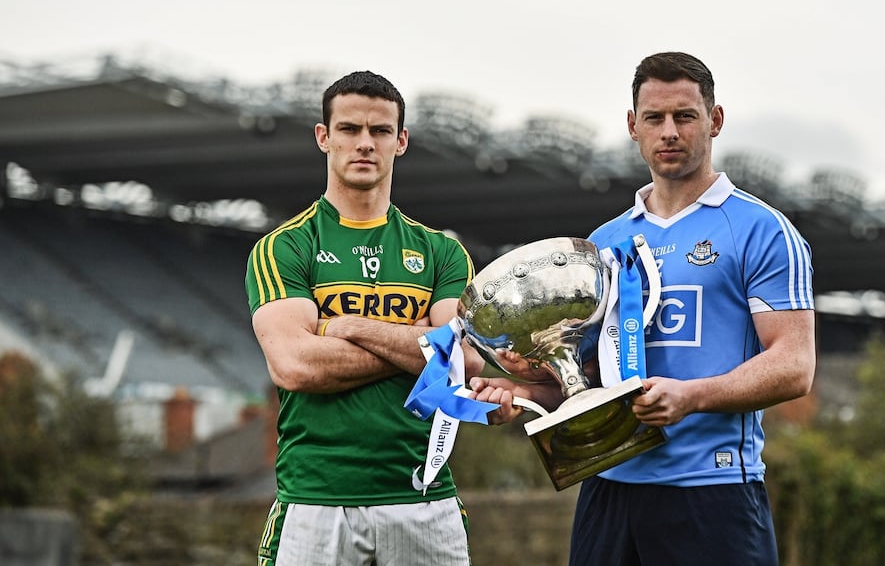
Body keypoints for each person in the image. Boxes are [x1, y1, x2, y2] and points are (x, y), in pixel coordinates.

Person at [469, 51, 816, 565]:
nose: (669, 131)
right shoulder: (600, 246)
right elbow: (586, 376)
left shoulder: (760, 230)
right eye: (654, 118)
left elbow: (794, 365)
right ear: (633, 126)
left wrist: (692, 396)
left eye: (685, 116)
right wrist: (523, 392)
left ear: (715, 121)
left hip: (712, 488)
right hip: (608, 489)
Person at [245, 70, 482, 566]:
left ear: (401, 141)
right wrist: (421, 343)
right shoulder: (285, 246)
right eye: (350, 129)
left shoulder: (442, 252)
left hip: (424, 498)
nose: (364, 143)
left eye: (379, 131)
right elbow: (296, 366)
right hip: (316, 502)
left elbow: (465, 360)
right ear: (323, 137)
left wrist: (347, 327)